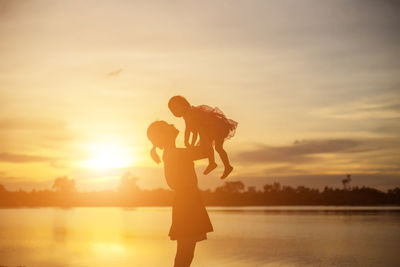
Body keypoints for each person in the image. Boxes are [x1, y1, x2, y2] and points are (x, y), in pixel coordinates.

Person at [147, 120, 214, 267]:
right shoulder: (173, 153)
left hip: (188, 200)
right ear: (164, 135)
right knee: (185, 252)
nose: (172, 125)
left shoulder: (173, 152)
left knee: (186, 252)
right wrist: (202, 127)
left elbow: (204, 149)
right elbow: (204, 150)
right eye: (167, 126)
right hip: (187, 203)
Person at [168, 95, 237, 179]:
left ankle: (212, 163)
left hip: (215, 128)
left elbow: (189, 130)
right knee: (218, 148)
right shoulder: (189, 114)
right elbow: (193, 132)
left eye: (177, 106)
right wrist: (190, 143)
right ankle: (227, 166)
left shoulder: (190, 113)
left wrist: (187, 142)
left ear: (184, 104)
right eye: (174, 109)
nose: (176, 109)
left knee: (207, 141)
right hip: (217, 128)